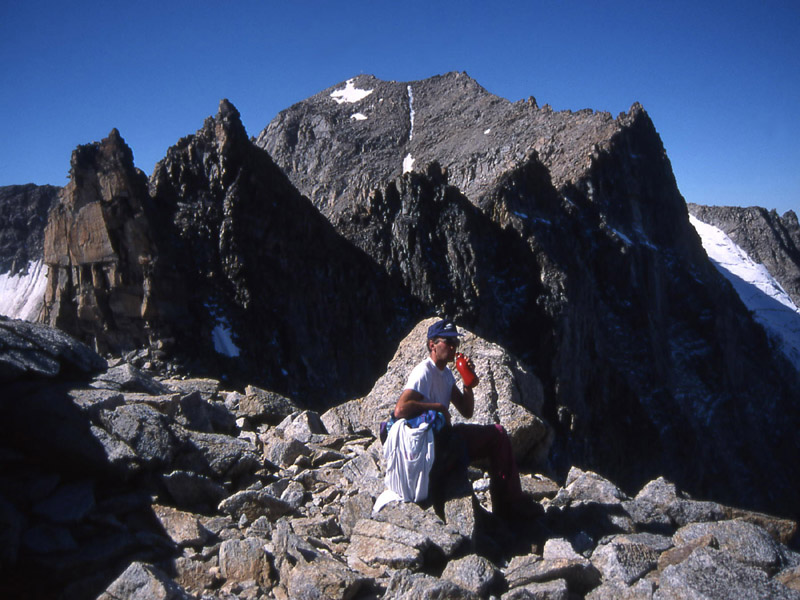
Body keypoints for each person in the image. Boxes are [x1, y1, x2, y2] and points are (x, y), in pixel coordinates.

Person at [392, 319, 533, 519]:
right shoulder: (423, 372)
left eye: (455, 343)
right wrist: (438, 407)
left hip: (442, 436)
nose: (452, 347)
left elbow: (466, 411)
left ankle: (508, 503)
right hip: (427, 443)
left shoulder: (446, 374)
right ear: (432, 344)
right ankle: (509, 506)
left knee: (498, 434)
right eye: (447, 342)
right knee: (493, 437)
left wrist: (468, 384)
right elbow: (400, 409)